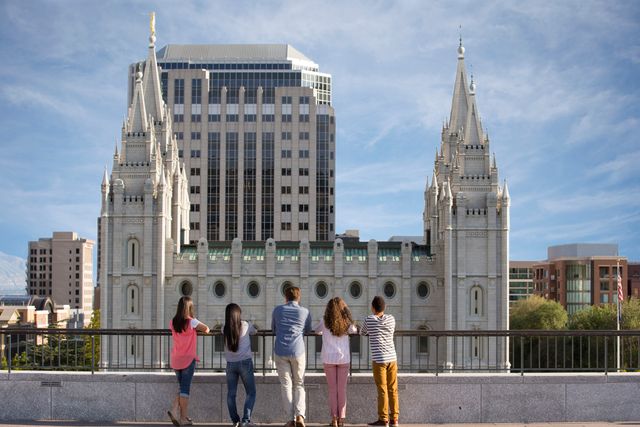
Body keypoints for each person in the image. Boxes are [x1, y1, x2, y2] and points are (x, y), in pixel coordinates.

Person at [272, 285, 312, 427]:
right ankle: (300, 415)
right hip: (298, 351)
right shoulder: (305, 312)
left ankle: (290, 419)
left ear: (285, 297)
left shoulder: (277, 310)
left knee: (286, 385)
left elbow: (274, 329)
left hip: (280, 350)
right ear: (298, 297)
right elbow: (307, 330)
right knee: (299, 383)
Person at [168, 296, 210, 426]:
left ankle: (179, 414)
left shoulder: (173, 322)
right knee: (185, 389)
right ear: (189, 308)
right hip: (187, 359)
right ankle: (179, 414)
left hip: (176, 359)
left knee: (182, 388)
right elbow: (207, 329)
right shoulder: (192, 322)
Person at [315, 297, 357, 427]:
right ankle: (342, 419)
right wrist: (348, 316)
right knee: (341, 389)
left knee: (332, 389)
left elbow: (316, 330)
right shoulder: (346, 322)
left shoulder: (324, 321)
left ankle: (334, 418)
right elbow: (354, 330)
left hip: (329, 358)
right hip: (343, 358)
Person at [360, 296, 399, 427]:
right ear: (385, 307)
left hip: (379, 359)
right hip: (392, 358)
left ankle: (383, 419)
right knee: (393, 389)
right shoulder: (391, 319)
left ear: (372, 308)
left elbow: (362, 332)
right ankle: (394, 419)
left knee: (382, 389)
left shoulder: (369, 320)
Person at [223, 303, 258, 427]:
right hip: (245, 363)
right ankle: (245, 421)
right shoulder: (246, 325)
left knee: (231, 394)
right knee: (251, 392)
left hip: (230, 364)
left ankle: (235, 421)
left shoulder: (224, 328)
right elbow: (255, 331)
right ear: (239, 314)